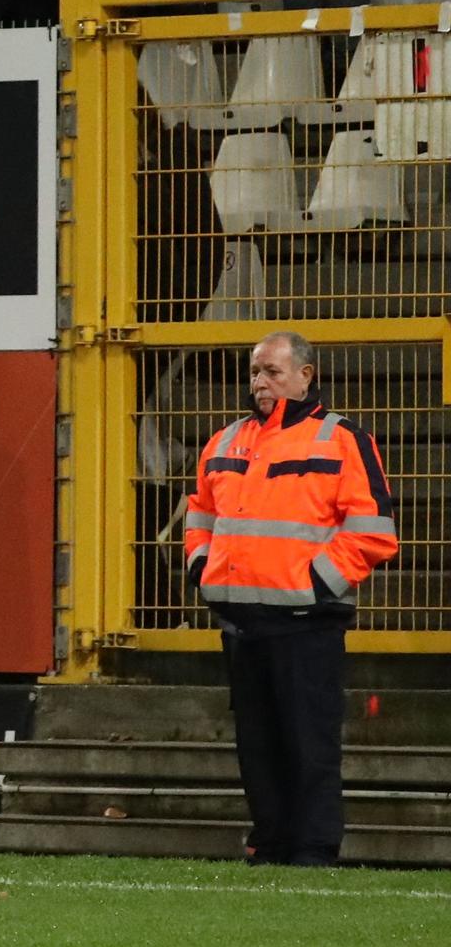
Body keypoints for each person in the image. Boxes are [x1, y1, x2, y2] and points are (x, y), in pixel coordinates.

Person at [183, 332, 398, 867]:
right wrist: (201, 569)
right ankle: (272, 844)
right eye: (256, 371)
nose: (260, 382)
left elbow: (374, 531)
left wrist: (313, 585)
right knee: (258, 748)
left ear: (306, 375)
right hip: (242, 621)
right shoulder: (226, 440)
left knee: (308, 745)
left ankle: (313, 849)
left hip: (306, 622)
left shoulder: (342, 439)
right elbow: (199, 513)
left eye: (273, 372)